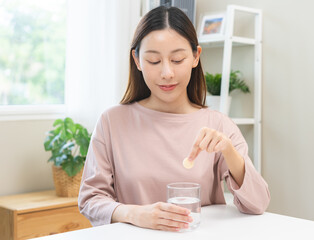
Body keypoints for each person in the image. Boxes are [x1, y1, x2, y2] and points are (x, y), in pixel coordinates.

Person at [78, 6, 270, 232]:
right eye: (154, 61)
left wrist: (229, 151)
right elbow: (90, 200)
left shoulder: (218, 125)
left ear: (195, 57)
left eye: (177, 60)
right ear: (137, 60)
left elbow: (258, 204)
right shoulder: (112, 122)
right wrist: (134, 213)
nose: (167, 72)